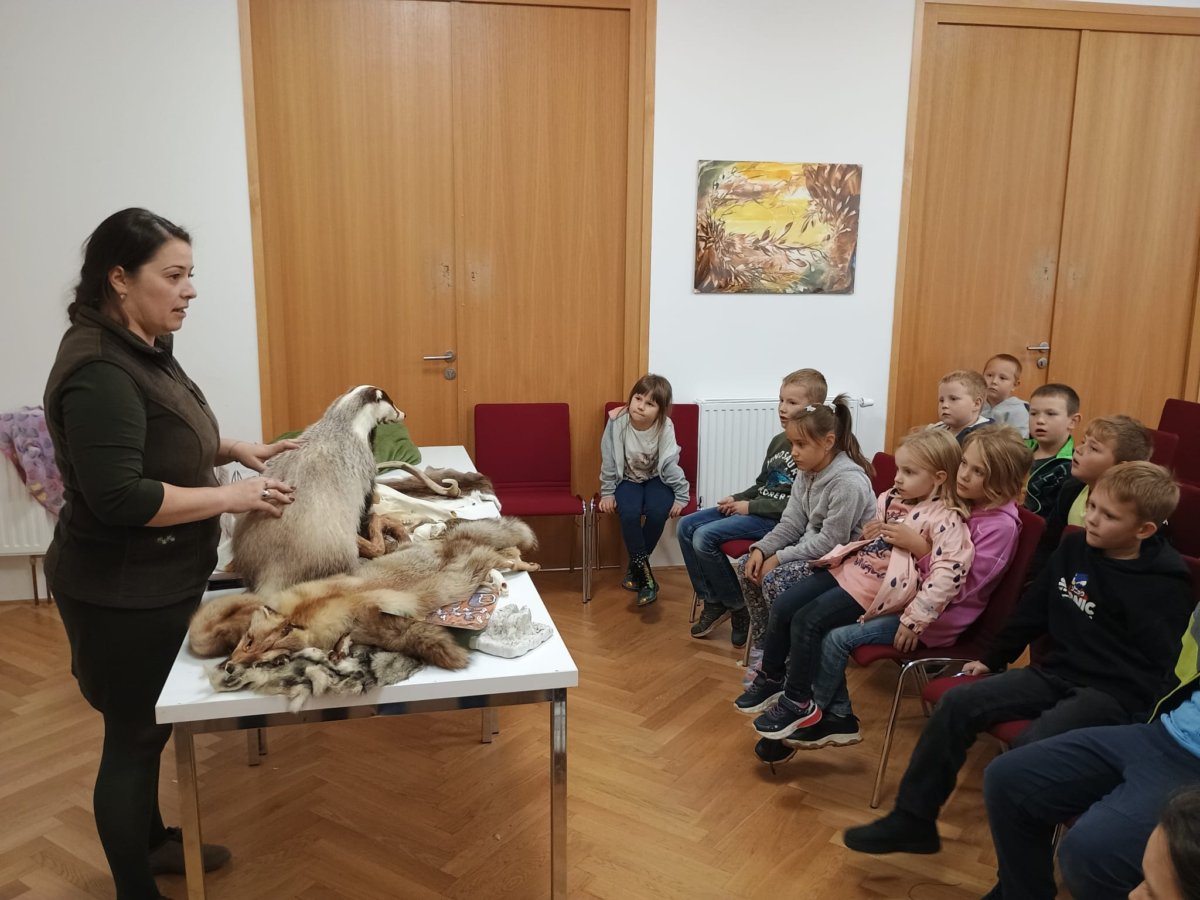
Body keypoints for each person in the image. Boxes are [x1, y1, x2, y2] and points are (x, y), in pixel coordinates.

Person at [43, 209, 299, 900]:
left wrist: (233, 448)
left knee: (150, 728)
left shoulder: (141, 344)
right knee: (132, 737)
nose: (190, 290)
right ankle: (136, 887)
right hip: (118, 591)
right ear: (119, 279)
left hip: (156, 579)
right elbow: (121, 496)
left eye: (191, 275)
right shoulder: (99, 369)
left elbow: (162, 437)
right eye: (174, 275)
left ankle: (153, 843)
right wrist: (234, 497)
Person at [843, 461, 1194, 858]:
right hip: (1055, 672)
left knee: (1031, 749)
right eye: (1093, 506)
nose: (1092, 518)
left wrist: (1141, 723)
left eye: (1109, 515)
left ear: (1144, 530)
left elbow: (1162, 666)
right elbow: (1034, 607)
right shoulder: (1075, 547)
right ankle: (913, 821)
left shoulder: (1165, 586)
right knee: (958, 702)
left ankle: (1023, 871)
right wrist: (994, 657)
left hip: (1110, 693)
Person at [757, 425, 1030, 759]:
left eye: (978, 471)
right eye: (964, 464)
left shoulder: (999, 527)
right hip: (902, 597)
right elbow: (912, 541)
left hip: (933, 619)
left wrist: (919, 550)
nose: (964, 474)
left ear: (1001, 481)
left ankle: (823, 715)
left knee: (830, 635)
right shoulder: (960, 501)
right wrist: (882, 534)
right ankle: (819, 711)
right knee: (809, 618)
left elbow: (958, 589)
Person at [735, 427, 972, 741]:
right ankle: (771, 677)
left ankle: (798, 700)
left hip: (874, 589)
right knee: (784, 604)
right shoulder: (891, 497)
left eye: (909, 472)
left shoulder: (946, 519)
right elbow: (873, 539)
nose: (898, 478)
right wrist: (870, 532)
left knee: (807, 621)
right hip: (849, 570)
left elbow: (946, 575)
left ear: (939, 478)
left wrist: (915, 619)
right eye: (899, 469)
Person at [983, 625, 1200, 900]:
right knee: (1007, 777)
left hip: (1191, 766)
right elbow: (1179, 669)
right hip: (1162, 729)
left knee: (1091, 852)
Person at [681, 368, 826, 647]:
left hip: (774, 520)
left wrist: (749, 507)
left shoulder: (811, 450)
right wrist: (736, 498)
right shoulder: (778, 440)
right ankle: (714, 601)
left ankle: (738, 606)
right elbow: (762, 484)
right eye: (781, 400)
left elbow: (795, 508)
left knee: (703, 536)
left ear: (814, 407)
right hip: (756, 508)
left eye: (792, 402)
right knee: (687, 526)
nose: (782, 408)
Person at [734, 395, 876, 675]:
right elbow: (791, 522)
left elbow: (832, 542)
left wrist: (779, 558)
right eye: (792, 444)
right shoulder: (806, 470)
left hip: (844, 562)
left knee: (775, 579)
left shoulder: (848, 482)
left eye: (801, 444)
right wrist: (762, 549)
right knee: (745, 567)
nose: (794, 452)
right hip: (813, 550)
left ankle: (789, 660)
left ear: (828, 442)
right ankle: (767, 649)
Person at [598, 373, 690, 607]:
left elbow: (669, 463)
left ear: (660, 410)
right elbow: (609, 459)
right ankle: (647, 579)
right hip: (627, 479)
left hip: (657, 478)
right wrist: (607, 492)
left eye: (650, 404)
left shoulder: (665, 426)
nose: (641, 406)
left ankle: (636, 568)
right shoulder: (617, 422)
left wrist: (681, 495)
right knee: (628, 513)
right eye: (638, 399)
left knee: (658, 512)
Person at [1031, 414, 1152, 575]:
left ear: (1120, 468)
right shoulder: (1071, 489)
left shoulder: (1135, 512)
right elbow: (1048, 546)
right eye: (1083, 442)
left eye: (1093, 448)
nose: (1078, 450)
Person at [1022, 383, 1081, 519]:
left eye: (1051, 414)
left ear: (1073, 421)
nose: (1040, 420)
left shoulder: (1073, 466)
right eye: (1033, 413)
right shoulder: (1017, 450)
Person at [929, 369, 992, 444]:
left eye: (953, 399)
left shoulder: (986, 438)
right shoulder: (933, 430)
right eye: (941, 400)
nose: (944, 405)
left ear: (976, 404)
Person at [981, 354, 1030, 437]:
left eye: (1002, 378)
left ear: (1015, 385)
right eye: (989, 375)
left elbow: (1019, 440)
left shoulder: (1018, 410)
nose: (994, 381)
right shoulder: (976, 403)